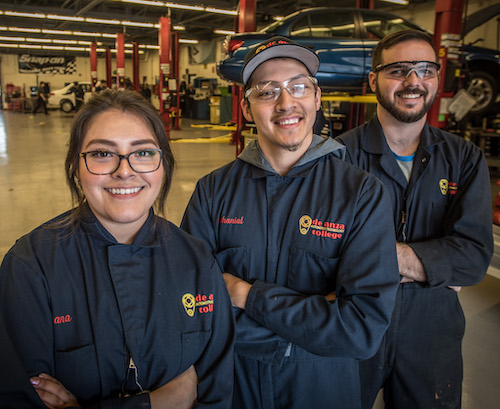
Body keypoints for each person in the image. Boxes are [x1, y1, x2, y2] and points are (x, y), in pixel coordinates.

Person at [181, 36, 400, 409]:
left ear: (317, 98)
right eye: (267, 91)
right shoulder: (212, 191)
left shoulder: (361, 194)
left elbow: (360, 331)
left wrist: (248, 296)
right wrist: (312, 318)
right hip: (234, 388)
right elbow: (193, 310)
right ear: (247, 108)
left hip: (322, 389)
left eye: (298, 86)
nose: (286, 103)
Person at [0, 89, 235, 409]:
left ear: (163, 164)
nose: (124, 170)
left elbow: (217, 393)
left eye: (142, 152)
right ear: (75, 166)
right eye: (101, 154)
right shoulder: (30, 266)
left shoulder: (197, 261)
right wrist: (161, 401)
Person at [336, 29, 493, 409]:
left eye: (425, 70)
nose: (413, 82)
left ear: (438, 78)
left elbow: (471, 259)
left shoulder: (464, 159)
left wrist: (374, 258)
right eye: (399, 70)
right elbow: (323, 252)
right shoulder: (339, 158)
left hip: (432, 332)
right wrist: (434, 266)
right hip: (350, 324)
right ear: (373, 79)